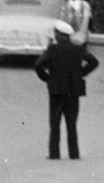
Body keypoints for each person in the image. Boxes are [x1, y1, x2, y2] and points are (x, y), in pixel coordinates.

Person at [34, 19, 99, 159]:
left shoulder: (53, 49)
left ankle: (54, 153)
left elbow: (38, 65)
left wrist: (47, 78)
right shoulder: (78, 49)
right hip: (73, 90)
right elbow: (94, 62)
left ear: (59, 35)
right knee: (71, 124)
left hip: (56, 91)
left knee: (55, 123)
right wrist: (82, 72)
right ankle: (74, 153)